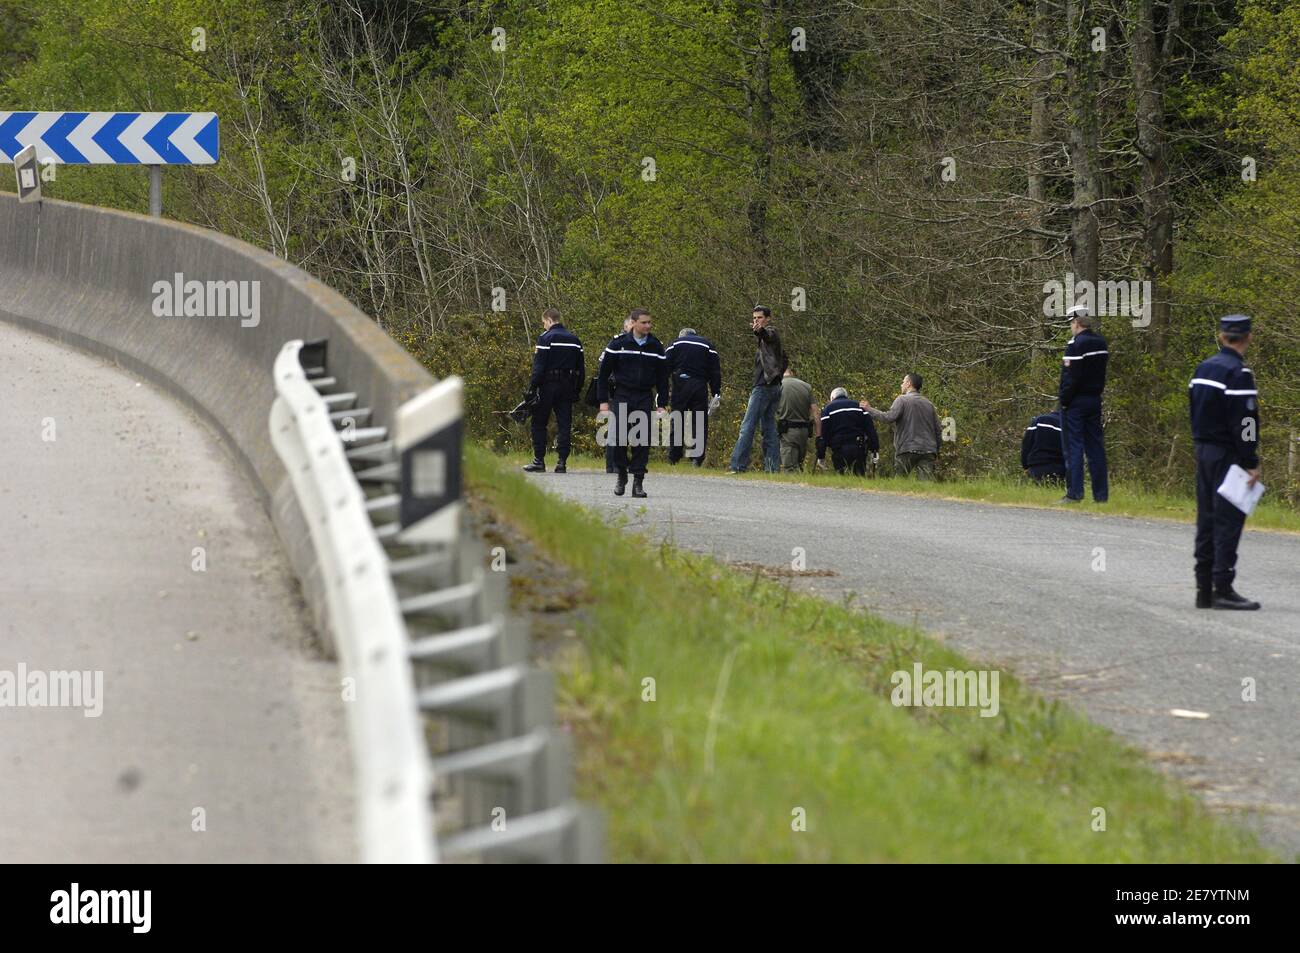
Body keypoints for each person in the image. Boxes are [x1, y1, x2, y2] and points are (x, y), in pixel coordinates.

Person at [1188, 315, 1262, 610]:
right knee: (1228, 520)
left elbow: (1193, 408)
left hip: (1202, 450)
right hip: (1228, 456)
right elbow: (1246, 422)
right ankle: (1223, 586)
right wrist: (1250, 460)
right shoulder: (1239, 374)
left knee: (1206, 520)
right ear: (1248, 337)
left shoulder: (1203, 368)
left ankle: (1203, 588)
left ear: (1221, 336)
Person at [597, 308, 670, 498]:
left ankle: (638, 481)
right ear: (634, 323)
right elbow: (603, 375)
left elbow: (663, 378)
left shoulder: (655, 346)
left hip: (644, 396)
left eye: (650, 323)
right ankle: (621, 474)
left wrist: (662, 402)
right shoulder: (618, 343)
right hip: (622, 395)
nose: (648, 326)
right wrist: (603, 401)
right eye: (644, 322)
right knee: (619, 440)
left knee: (641, 440)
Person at [1058, 304, 1109, 503]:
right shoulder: (1101, 343)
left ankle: (1074, 493)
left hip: (1076, 402)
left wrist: (1064, 400)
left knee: (1074, 447)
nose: (1071, 326)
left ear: (1077, 322)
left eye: (1071, 322)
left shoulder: (1076, 345)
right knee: (1096, 448)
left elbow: (1072, 378)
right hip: (1094, 399)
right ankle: (1101, 495)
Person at [522, 308, 583, 474]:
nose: (544, 326)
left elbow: (539, 366)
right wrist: (576, 390)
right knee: (564, 424)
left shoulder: (545, 338)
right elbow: (580, 369)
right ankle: (562, 462)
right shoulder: (574, 340)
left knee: (539, 422)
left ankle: (539, 460)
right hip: (567, 386)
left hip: (548, 385)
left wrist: (532, 387)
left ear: (549, 320)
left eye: (544, 323)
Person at [728, 305, 786, 473]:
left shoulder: (771, 333)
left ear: (768, 318)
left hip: (763, 387)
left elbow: (766, 334)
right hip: (774, 387)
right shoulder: (769, 343)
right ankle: (772, 469)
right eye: (754, 318)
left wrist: (759, 331)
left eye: (759, 318)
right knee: (769, 429)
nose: (756, 321)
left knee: (747, 427)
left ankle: (738, 466)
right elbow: (784, 359)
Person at [863, 373, 942, 478]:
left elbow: (889, 417)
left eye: (903, 382)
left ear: (909, 383)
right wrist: (936, 451)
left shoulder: (902, 399)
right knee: (926, 487)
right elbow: (938, 430)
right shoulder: (929, 404)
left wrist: (869, 409)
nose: (901, 384)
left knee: (900, 482)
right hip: (928, 450)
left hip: (907, 448)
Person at [665, 327, 722, 466]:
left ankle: (674, 456)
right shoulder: (707, 345)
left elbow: (664, 368)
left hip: (680, 384)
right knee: (699, 422)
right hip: (699, 385)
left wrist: (663, 390)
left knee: (677, 420)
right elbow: (715, 371)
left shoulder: (675, 344)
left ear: (682, 335)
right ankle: (697, 458)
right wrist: (716, 392)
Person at [597, 315, 636, 474]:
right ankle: (612, 464)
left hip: (635, 393)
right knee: (615, 430)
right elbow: (603, 370)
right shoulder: (616, 344)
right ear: (626, 327)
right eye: (632, 326)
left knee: (632, 430)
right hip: (617, 391)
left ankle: (627, 463)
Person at [816, 387, 879, 476]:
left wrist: (821, 456)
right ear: (846, 396)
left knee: (842, 478)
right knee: (859, 477)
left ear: (832, 398)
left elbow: (824, 435)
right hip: (858, 447)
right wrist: (874, 450)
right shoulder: (859, 407)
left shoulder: (828, 409)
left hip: (839, 449)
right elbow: (870, 430)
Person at [777, 366, 818, 472]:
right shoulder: (806, 386)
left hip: (788, 433)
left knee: (789, 469)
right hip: (804, 433)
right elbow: (816, 412)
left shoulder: (778, 385)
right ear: (791, 373)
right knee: (799, 466)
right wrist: (819, 436)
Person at [1020, 409, 1067, 484]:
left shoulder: (1038, 420)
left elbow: (1026, 446)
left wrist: (1025, 466)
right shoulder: (1069, 426)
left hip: (1036, 468)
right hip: (1060, 471)